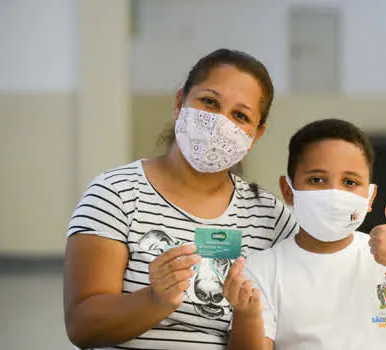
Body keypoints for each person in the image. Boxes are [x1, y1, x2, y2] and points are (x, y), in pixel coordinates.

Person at [63, 49, 298, 350]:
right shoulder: (115, 193)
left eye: (240, 116)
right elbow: (82, 325)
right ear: (179, 103)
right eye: (209, 102)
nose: (219, 123)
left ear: (256, 134)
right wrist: (154, 299)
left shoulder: (269, 218)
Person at [224, 118, 386, 350]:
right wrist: (247, 315)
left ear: (370, 197)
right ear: (289, 191)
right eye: (317, 180)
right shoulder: (261, 269)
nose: (334, 194)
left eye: (350, 183)